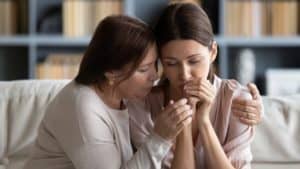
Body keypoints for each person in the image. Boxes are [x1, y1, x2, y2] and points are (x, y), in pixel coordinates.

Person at [24, 15, 194, 169]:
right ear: (111, 73)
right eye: (143, 70)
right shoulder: (83, 107)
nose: (155, 76)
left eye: (154, 64)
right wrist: (159, 138)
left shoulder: (127, 96)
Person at [128, 2, 263, 169]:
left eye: (194, 61)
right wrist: (184, 123)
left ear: (213, 52)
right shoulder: (142, 107)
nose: (184, 74)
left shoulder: (237, 101)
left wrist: (204, 121)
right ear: (160, 61)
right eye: (171, 63)